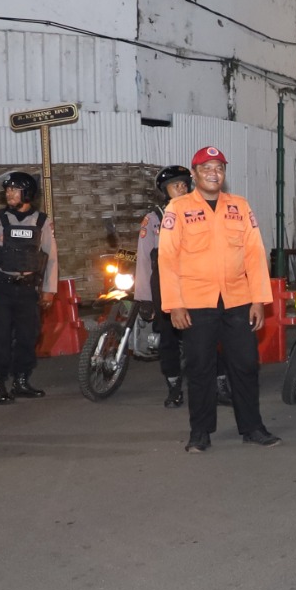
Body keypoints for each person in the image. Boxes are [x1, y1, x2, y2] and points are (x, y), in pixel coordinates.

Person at [157, 146, 281, 453]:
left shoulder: (239, 205)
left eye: (219, 168)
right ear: (195, 173)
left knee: (246, 365)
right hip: (197, 303)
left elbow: (254, 254)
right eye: (207, 168)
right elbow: (167, 258)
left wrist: (258, 300)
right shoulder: (178, 208)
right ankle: (200, 432)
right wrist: (174, 304)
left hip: (238, 301)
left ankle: (252, 428)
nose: (214, 173)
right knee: (200, 368)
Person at [0, 171, 58, 403]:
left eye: (14, 189)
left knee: (27, 337)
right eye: (7, 189)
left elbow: (51, 258)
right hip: (0, 288)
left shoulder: (41, 222)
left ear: (28, 193)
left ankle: (21, 381)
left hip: (27, 290)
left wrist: (49, 290)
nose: (9, 193)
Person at [136, 165, 194, 408]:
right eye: (174, 185)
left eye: (184, 184)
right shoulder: (154, 219)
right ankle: (174, 387)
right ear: (164, 190)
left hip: (196, 283)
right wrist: (145, 298)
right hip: (164, 284)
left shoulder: (200, 213)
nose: (181, 188)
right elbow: (143, 258)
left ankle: (219, 383)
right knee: (168, 338)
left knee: (204, 336)